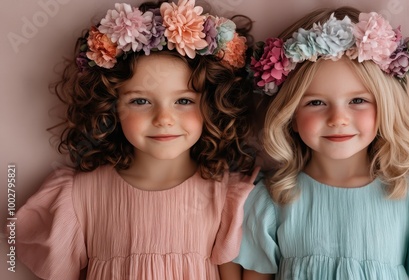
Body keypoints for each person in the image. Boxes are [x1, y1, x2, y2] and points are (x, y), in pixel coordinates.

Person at [14, 0, 258, 279]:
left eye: (183, 100)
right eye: (141, 100)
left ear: (212, 105)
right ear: (111, 105)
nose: (164, 118)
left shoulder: (227, 197)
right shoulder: (78, 196)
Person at [233, 6, 409, 280]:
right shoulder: (272, 202)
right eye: (316, 102)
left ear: (385, 106)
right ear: (290, 114)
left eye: (357, 101)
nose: (338, 118)